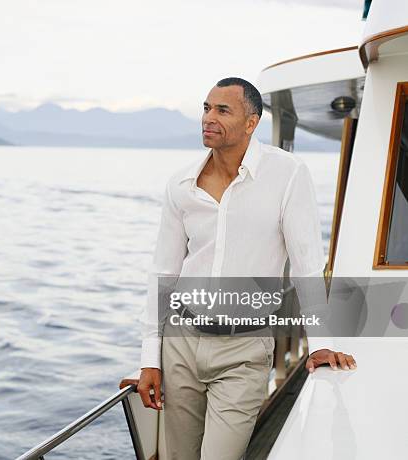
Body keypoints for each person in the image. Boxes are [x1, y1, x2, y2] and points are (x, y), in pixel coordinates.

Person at [137, 77, 357, 460]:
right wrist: (148, 360)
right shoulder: (182, 184)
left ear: (251, 122)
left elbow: (306, 265)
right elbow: (163, 273)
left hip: (244, 348)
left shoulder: (287, 174)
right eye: (206, 108)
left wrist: (321, 344)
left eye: (223, 110)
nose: (209, 117)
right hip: (181, 344)